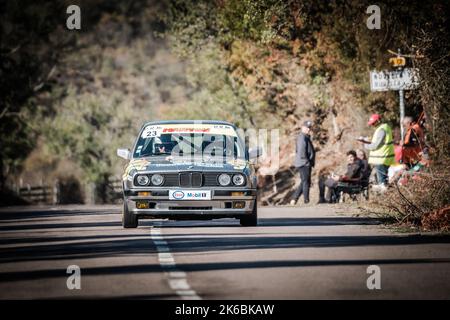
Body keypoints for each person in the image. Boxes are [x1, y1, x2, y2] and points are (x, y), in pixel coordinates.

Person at [359, 114, 395, 188]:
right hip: (382, 158)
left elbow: (376, 145)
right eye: (372, 124)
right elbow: (378, 143)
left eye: (373, 123)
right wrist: (366, 141)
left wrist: (364, 145)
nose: (372, 125)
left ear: (378, 121)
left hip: (381, 159)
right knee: (382, 182)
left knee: (382, 184)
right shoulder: (383, 128)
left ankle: (385, 197)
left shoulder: (382, 129)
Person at [290, 120, 315, 205]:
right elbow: (301, 151)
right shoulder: (302, 137)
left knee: (305, 181)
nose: (308, 129)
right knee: (306, 181)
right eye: (307, 127)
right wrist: (306, 161)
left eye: (309, 128)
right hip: (303, 163)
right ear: (302, 128)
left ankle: (294, 199)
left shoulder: (305, 136)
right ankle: (306, 200)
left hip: (304, 162)